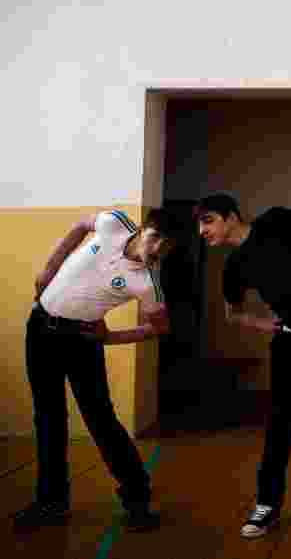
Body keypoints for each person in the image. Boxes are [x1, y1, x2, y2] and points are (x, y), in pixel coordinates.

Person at [196, 194, 291, 540]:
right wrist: (265, 325)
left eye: (208, 221)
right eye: (200, 224)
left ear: (231, 216)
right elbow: (232, 313)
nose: (202, 231)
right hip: (289, 342)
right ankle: (267, 504)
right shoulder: (234, 266)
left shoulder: (275, 220)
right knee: (280, 423)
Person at [14, 208, 180, 532]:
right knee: (48, 416)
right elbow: (79, 226)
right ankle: (51, 502)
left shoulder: (147, 283)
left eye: (168, 246)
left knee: (100, 419)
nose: (158, 249)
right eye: (156, 237)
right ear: (144, 228)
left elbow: (160, 327)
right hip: (41, 329)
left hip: (81, 341)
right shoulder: (113, 223)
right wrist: (48, 269)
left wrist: (110, 337)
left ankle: (137, 499)